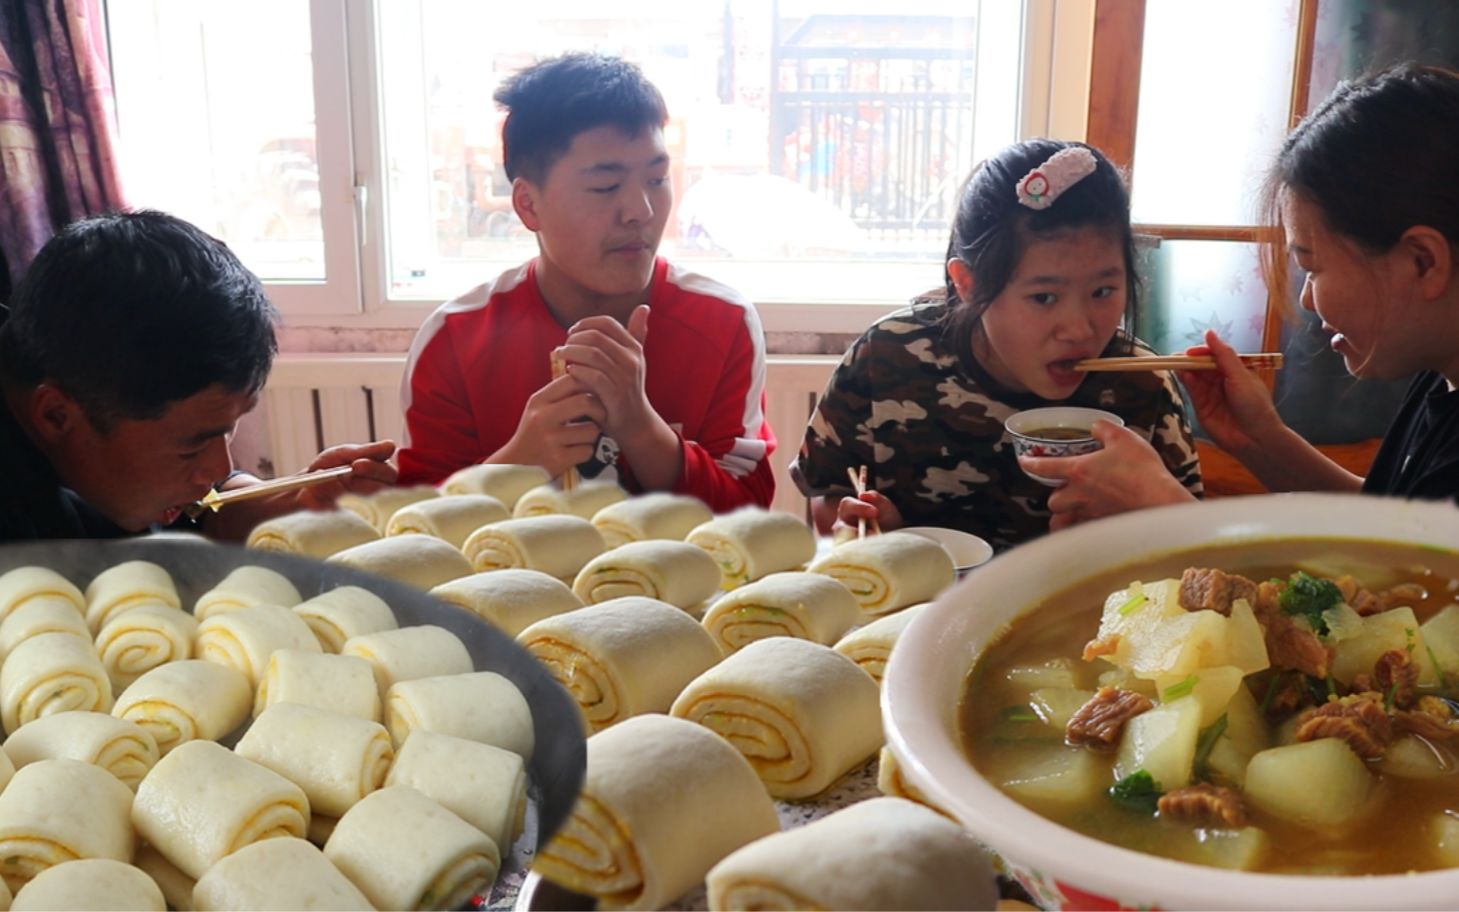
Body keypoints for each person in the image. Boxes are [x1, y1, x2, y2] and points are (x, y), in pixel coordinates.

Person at [1025, 63, 1459, 526]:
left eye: (1312, 267)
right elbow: (1389, 526)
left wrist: (1167, 518)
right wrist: (1260, 441)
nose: (1308, 301)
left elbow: (1388, 587)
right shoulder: (1441, 367)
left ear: (1422, 262)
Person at [396, 53, 775, 512]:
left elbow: (747, 520)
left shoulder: (721, 321)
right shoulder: (456, 337)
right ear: (528, 204)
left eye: (657, 179)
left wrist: (641, 429)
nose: (642, 211)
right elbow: (417, 530)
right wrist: (518, 464)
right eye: (605, 187)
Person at [792, 139, 1202, 552]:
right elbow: (825, 499)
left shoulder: (1144, 382)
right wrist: (875, 532)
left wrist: (1137, 528)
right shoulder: (886, 357)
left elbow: (1189, 548)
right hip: (920, 610)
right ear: (967, 284)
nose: (1079, 330)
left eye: (1103, 290)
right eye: (1044, 298)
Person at [0, 210, 396, 542]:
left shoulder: (92, 399)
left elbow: (196, 512)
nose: (218, 469)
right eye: (190, 448)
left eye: (226, 431)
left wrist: (288, 504)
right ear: (55, 416)